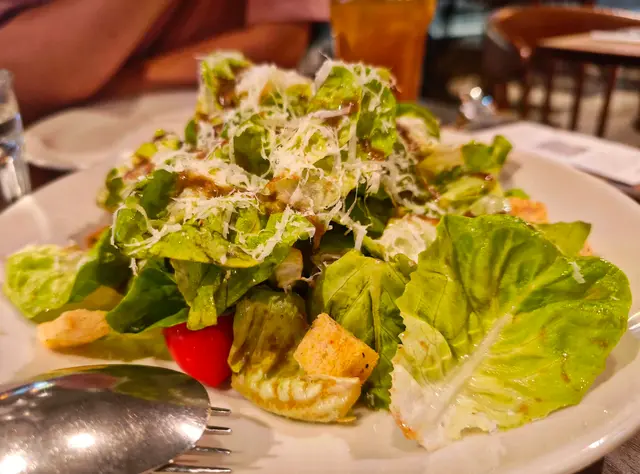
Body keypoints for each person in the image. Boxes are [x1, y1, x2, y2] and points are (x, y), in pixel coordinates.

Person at [0, 0, 329, 122]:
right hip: (42, 157)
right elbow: (17, 77)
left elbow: (278, 42)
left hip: (213, 121)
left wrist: (117, 83)